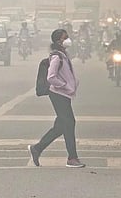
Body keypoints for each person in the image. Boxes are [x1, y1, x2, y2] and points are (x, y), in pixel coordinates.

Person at [28, 29, 85, 168]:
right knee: (69, 124)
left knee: (60, 126)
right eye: (65, 37)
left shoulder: (63, 55)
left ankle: (37, 148)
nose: (68, 40)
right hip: (59, 94)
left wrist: (71, 84)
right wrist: (64, 85)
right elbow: (51, 76)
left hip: (64, 94)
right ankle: (72, 158)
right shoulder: (56, 57)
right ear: (59, 40)